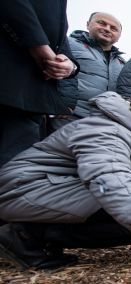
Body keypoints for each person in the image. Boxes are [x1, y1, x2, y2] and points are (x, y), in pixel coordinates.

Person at [0, 81, 131, 269]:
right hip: (25, 189)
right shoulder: (110, 129)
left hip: (56, 188)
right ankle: (26, 234)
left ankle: (42, 234)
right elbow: (108, 173)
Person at [0, 1, 79, 167]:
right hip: (8, 82)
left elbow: (61, 43)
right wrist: (40, 47)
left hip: (33, 101)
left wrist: (69, 67)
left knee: (15, 169)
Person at [52, 12, 125, 133]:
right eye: (101, 23)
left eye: (113, 28)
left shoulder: (122, 63)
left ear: (119, 36)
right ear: (88, 24)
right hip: (67, 117)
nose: (107, 29)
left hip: (106, 125)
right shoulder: (68, 43)